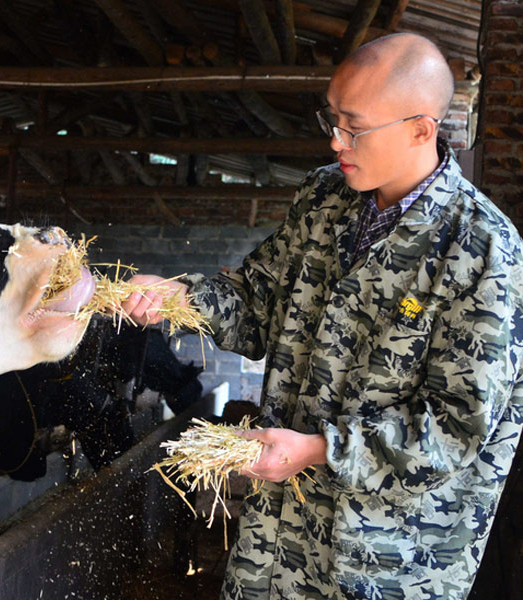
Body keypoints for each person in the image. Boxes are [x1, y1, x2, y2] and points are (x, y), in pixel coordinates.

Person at [122, 33, 523, 600]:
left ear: (420, 129)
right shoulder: (322, 199)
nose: (337, 141)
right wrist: (174, 298)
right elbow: (257, 302)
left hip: (383, 564)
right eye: (331, 119)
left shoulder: (483, 251)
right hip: (273, 545)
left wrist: (316, 450)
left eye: (353, 127)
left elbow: (457, 431)